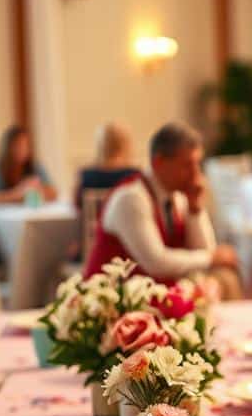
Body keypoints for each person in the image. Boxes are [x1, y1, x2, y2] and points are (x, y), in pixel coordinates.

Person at [84, 122, 241, 298]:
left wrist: (195, 208)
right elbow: (156, 263)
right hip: (114, 298)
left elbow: (204, 250)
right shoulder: (131, 198)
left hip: (154, 292)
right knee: (219, 278)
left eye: (197, 164)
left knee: (224, 277)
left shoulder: (178, 196)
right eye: (187, 165)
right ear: (159, 162)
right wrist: (211, 258)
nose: (195, 174)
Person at [0, 124, 57, 206]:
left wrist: (39, 189)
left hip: (28, 212)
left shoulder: (35, 166)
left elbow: (53, 193)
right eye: (18, 145)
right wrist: (17, 193)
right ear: (7, 147)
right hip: (2, 213)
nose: (22, 149)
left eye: (25, 145)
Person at [76, 122, 142, 210]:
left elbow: (78, 205)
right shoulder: (135, 176)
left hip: (96, 219)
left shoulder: (86, 176)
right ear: (125, 145)